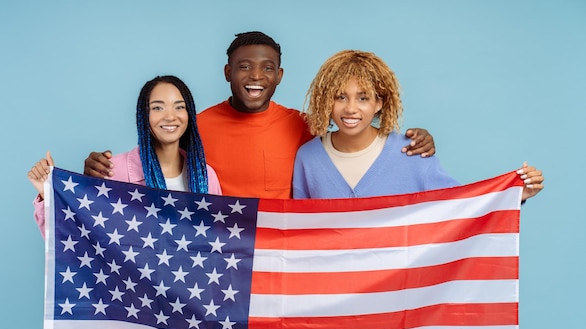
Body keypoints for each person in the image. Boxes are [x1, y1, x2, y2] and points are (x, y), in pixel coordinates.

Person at [83, 31, 437, 199]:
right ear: (227, 73)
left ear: (279, 76)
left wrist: (415, 140)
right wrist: (101, 170)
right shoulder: (198, 124)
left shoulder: (304, 126)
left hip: (284, 254)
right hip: (220, 253)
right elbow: (159, 158)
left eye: (267, 68)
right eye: (244, 67)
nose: (255, 77)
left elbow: (348, 144)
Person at [292, 50, 544, 200]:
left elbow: (457, 204)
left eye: (363, 97)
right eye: (340, 97)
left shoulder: (411, 152)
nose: (350, 108)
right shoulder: (309, 158)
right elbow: (299, 228)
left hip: (400, 287)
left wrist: (512, 195)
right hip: (333, 286)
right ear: (327, 100)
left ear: (379, 102)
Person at [28, 75, 222, 237]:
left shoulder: (206, 176)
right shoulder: (112, 171)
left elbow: (218, 244)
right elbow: (78, 239)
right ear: (143, 116)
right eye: (157, 107)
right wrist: (48, 194)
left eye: (179, 107)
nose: (170, 116)